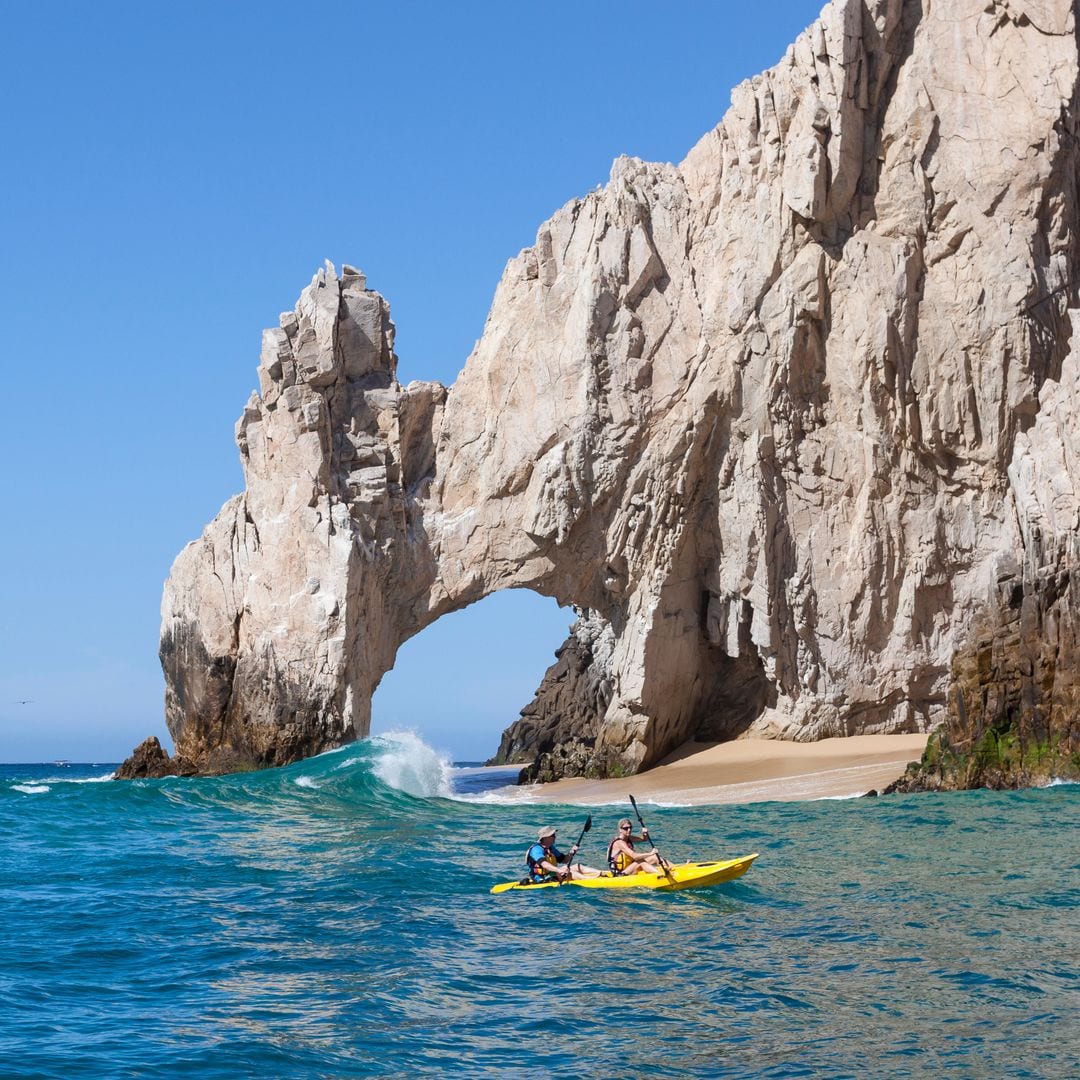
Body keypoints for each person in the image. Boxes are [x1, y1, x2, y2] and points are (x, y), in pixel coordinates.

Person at [525, 826, 603, 883]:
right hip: (541, 878)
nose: (555, 837)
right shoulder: (536, 849)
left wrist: (571, 852)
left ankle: (602, 874)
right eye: (552, 835)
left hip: (552, 873)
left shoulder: (551, 848)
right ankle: (591, 880)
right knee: (569, 872)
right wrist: (559, 870)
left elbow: (564, 860)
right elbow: (545, 864)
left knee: (577, 866)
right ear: (545, 837)